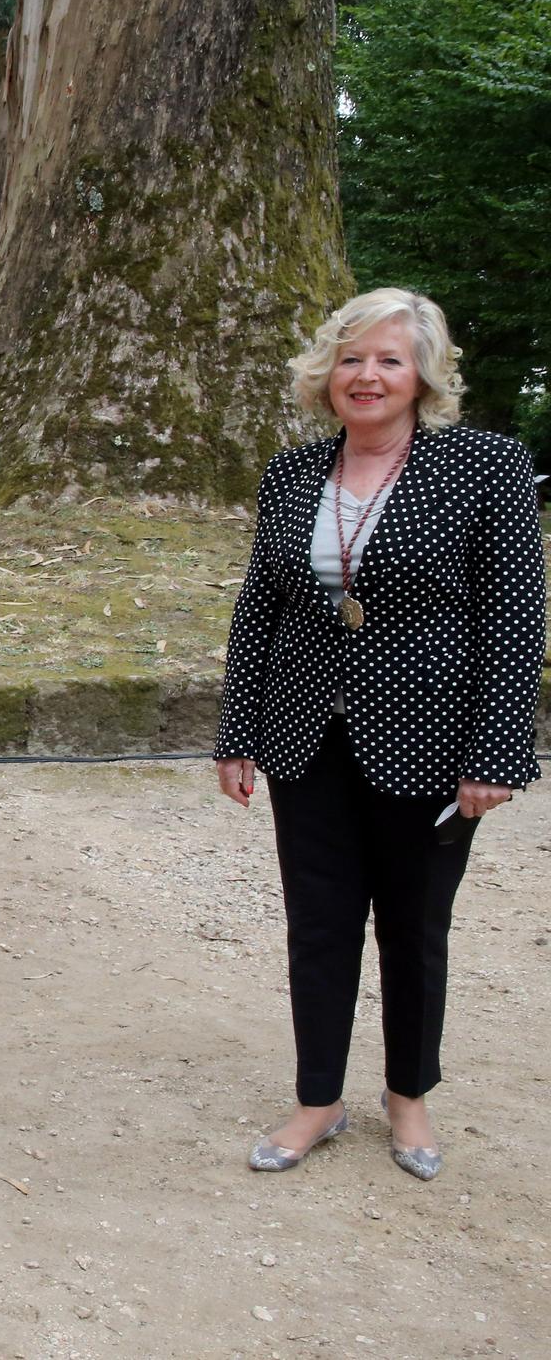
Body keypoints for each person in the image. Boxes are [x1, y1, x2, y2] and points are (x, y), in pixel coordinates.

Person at [216, 287, 545, 1181]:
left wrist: (498, 752)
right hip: (304, 737)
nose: (368, 376)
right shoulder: (291, 475)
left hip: (433, 743)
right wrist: (236, 731)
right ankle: (318, 1098)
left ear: (422, 377)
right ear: (328, 374)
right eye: (352, 359)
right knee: (317, 926)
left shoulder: (486, 466)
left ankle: (408, 1098)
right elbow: (261, 611)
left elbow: (514, 619)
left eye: (389, 360)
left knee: (413, 927)